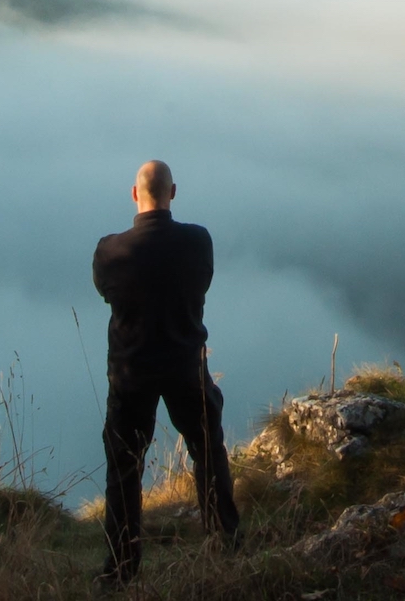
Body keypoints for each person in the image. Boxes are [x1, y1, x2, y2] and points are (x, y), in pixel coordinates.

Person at [93, 159, 239, 585]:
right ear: (172, 192)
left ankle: (121, 570)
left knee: (124, 469)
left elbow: (107, 292)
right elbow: (203, 283)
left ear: (134, 194)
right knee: (208, 450)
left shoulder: (111, 251)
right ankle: (224, 544)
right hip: (184, 367)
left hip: (130, 372)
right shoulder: (198, 242)